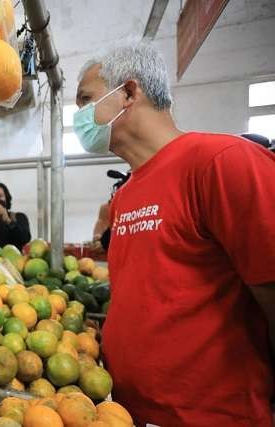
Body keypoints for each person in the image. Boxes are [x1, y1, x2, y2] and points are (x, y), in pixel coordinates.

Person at [74, 42, 274, 426]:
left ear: (129, 93)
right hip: (132, 412)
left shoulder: (222, 163)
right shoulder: (127, 193)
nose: (79, 116)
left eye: (86, 99)